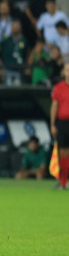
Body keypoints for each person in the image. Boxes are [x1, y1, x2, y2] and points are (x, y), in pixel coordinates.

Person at [50, 62, 69, 190]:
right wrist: (52, 124)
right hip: (63, 123)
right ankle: (63, 182)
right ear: (64, 72)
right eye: (67, 69)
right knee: (63, 152)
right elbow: (54, 106)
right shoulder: (58, 87)